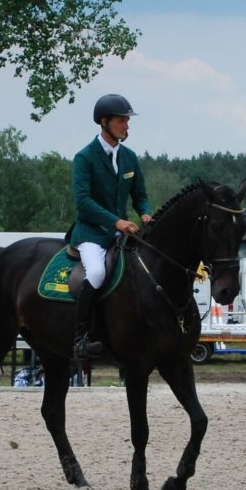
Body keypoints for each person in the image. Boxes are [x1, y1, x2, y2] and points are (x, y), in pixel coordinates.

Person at [68, 93, 151, 360]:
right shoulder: (85, 157)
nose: (127, 126)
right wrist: (116, 221)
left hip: (123, 232)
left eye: (127, 120)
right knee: (96, 274)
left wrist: (146, 213)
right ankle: (81, 338)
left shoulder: (129, 157)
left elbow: (139, 194)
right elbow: (83, 201)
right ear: (104, 122)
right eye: (121, 120)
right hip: (92, 234)